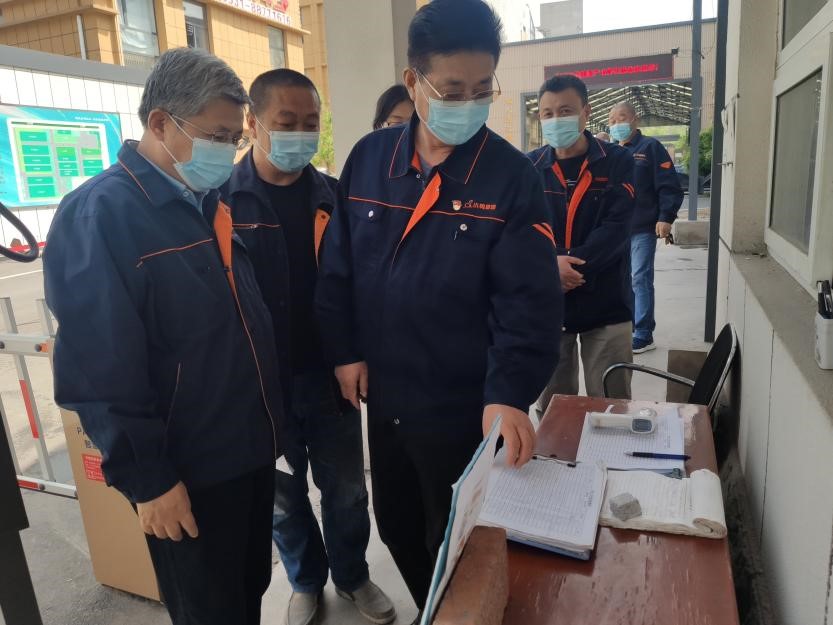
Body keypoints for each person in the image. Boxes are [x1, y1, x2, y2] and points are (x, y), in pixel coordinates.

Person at [315, 1, 562, 622]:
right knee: (398, 525)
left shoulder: (509, 177)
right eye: (452, 91)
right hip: (386, 396)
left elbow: (528, 301)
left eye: (482, 90)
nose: (468, 104)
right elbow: (339, 267)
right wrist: (345, 350)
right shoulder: (369, 160)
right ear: (414, 82)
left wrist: (508, 393)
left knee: (460, 537)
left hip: (462, 404)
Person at [44, 48, 285, 625]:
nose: (227, 150)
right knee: (209, 610)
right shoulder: (100, 214)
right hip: (186, 474)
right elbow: (98, 371)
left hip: (245, 452)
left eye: (234, 138)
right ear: (159, 123)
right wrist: (150, 481)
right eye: (216, 136)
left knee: (248, 589)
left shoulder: (205, 200)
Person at [221, 69, 396, 625]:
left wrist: (355, 353)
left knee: (346, 490)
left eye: (310, 123)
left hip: (328, 376)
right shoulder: (221, 201)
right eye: (286, 122)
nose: (300, 133)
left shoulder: (334, 196)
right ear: (254, 124)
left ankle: (352, 576)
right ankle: (304, 581)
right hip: (260, 387)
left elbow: (358, 284)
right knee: (283, 496)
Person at [529, 75, 635, 412]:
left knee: (612, 404)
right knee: (554, 407)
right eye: (547, 113)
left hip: (606, 299)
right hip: (549, 303)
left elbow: (617, 227)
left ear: (586, 113)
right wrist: (550, 267)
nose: (555, 119)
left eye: (565, 111)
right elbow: (519, 231)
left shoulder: (617, 161)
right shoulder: (529, 167)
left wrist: (569, 267)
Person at [608, 101, 683, 353]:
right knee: (622, 280)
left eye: (621, 118)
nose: (616, 124)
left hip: (642, 227)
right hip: (617, 230)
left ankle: (643, 333)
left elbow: (669, 185)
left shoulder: (650, 148)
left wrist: (666, 217)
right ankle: (628, 325)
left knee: (639, 278)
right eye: (612, 120)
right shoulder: (611, 152)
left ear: (635, 119)